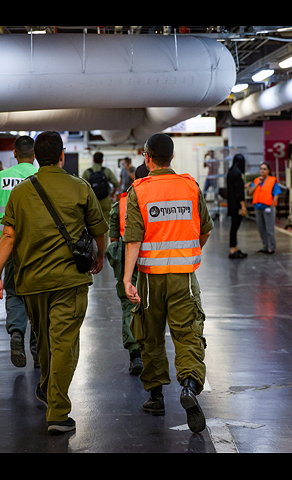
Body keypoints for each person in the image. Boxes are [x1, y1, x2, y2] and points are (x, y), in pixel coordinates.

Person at [0, 131, 108, 435]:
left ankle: (46, 386)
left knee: (44, 341)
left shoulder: (19, 193)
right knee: (63, 343)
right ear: (62, 156)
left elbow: (9, 236)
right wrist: (100, 256)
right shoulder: (79, 187)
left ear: (34, 157)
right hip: (69, 281)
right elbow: (98, 230)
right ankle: (57, 412)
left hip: (32, 283)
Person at [123, 133, 213, 434]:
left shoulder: (140, 190)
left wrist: (127, 278)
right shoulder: (190, 186)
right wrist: (190, 251)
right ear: (171, 157)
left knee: (151, 336)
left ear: (148, 157)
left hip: (150, 280)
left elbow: (133, 239)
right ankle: (188, 386)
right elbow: (205, 229)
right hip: (183, 278)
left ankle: (156, 397)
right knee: (187, 334)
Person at [0, 136, 39, 369]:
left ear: (14, 154)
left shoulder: (0, 177)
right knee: (37, 295)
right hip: (36, 247)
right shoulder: (40, 177)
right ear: (34, 155)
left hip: (9, 246)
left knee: (14, 292)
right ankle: (38, 353)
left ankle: (17, 334)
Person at [106, 166, 149, 377]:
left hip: (126, 257)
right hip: (153, 258)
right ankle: (152, 352)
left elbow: (113, 239)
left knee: (129, 305)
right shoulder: (153, 199)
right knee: (153, 304)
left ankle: (135, 355)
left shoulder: (120, 203)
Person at [246, 162, 281, 255]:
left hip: (268, 207)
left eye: (265, 169)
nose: (262, 170)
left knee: (269, 229)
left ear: (268, 171)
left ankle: (271, 247)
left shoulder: (272, 181)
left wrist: (272, 206)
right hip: (258, 207)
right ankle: (265, 246)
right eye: (261, 168)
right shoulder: (257, 180)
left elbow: (276, 195)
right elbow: (250, 192)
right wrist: (257, 184)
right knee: (261, 229)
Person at [83, 152, 119, 227]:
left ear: (93, 160)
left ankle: (94, 239)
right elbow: (116, 184)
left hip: (92, 202)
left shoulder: (87, 172)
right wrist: (112, 194)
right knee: (105, 223)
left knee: (92, 223)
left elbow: (82, 187)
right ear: (102, 160)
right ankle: (104, 238)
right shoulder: (106, 171)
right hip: (105, 201)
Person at [226, 154, 248, 259]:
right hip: (237, 205)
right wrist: (243, 206)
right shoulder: (238, 174)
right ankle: (233, 249)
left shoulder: (230, 173)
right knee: (235, 227)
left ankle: (235, 247)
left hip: (231, 203)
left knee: (233, 227)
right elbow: (239, 192)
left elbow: (233, 188)